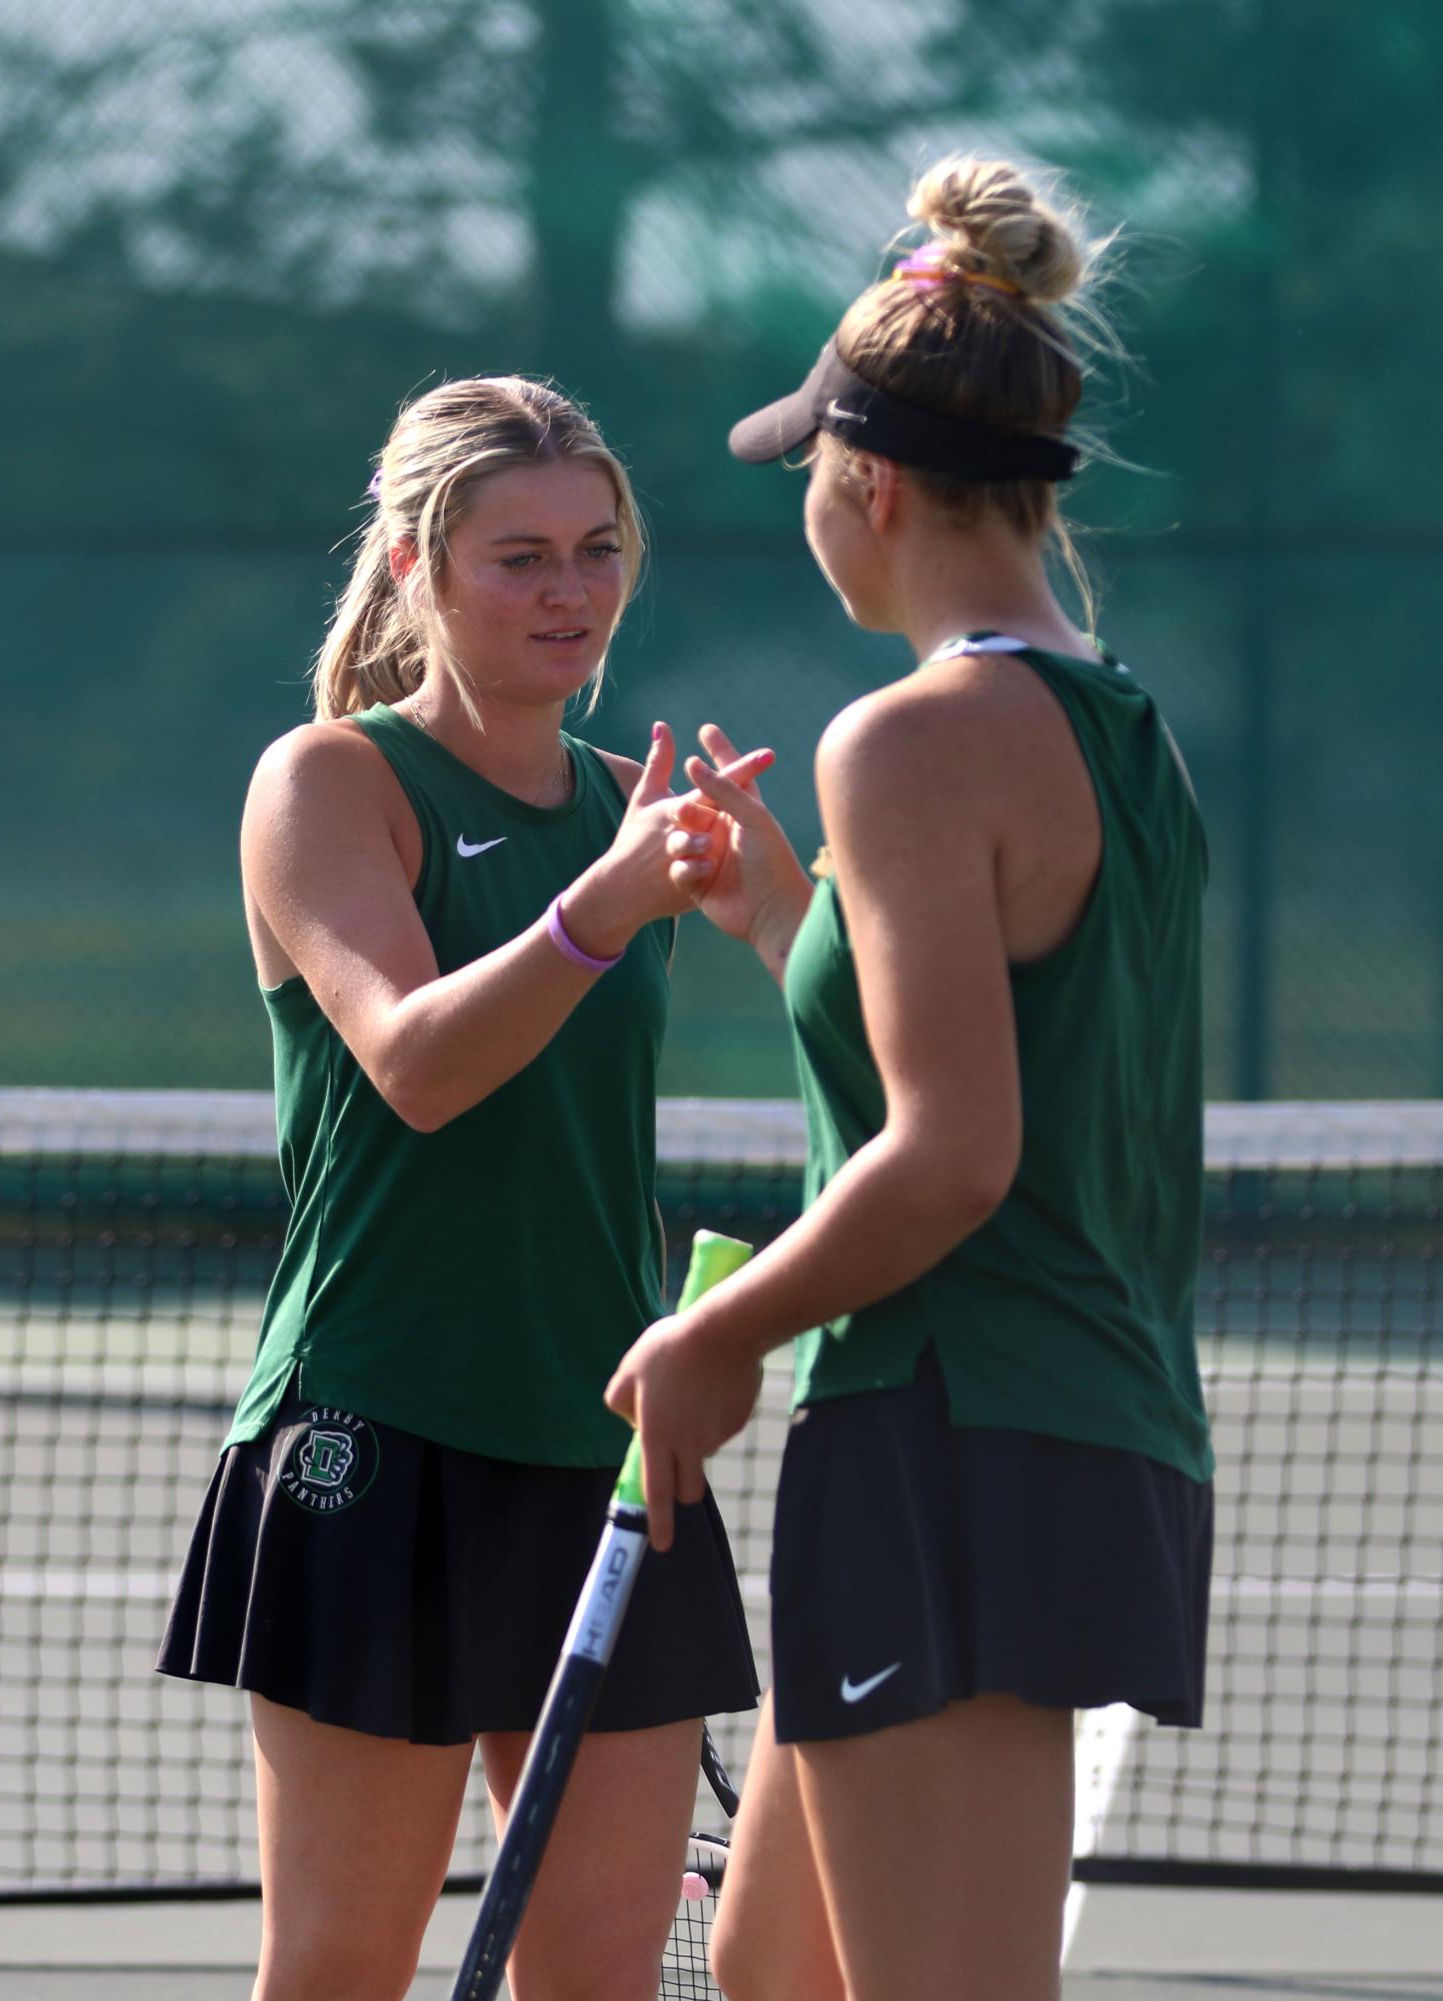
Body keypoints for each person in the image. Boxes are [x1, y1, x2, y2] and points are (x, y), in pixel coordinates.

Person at [607, 155, 1214, 2001]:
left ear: (866, 479)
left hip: (962, 1425)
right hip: (1025, 1420)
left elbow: (953, 1153)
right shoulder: (1112, 723)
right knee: (777, 1968)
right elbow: (973, 1039)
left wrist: (720, 1338)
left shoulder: (915, 738)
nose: (808, 499)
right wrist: (781, 907)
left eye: (808, 465)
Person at [157, 374, 762, 2001]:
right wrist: (601, 911)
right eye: (519, 557)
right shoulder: (330, 781)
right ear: (419, 564)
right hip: (382, 1429)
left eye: (597, 549)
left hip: (613, 1449)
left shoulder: (618, 813)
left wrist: (747, 898)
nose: (570, 591)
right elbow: (415, 1064)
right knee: (343, 1966)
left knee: (600, 1979)